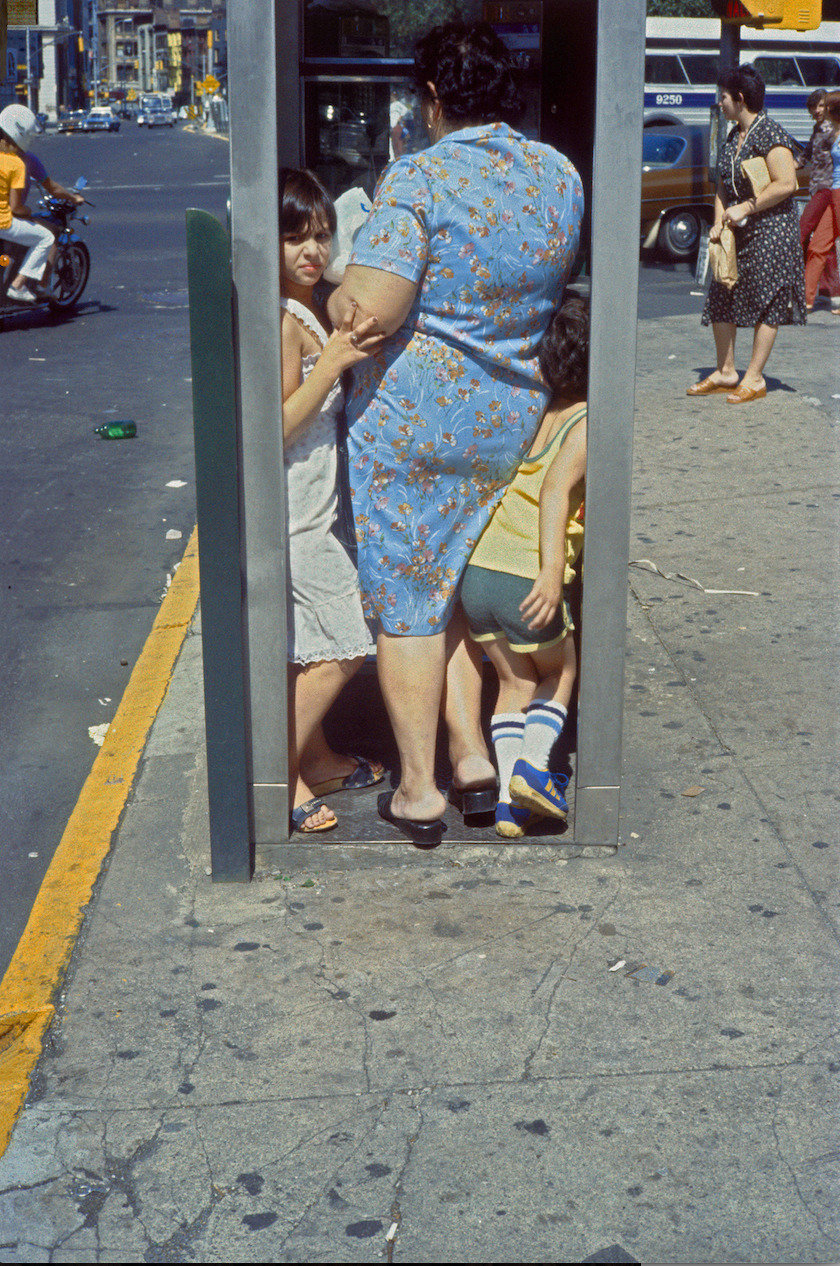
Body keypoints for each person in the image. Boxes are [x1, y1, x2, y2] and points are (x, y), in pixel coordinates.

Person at [328, 21, 584, 845]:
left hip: (414, 427)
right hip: (511, 419)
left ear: (432, 98)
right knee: (461, 595)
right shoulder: (557, 174)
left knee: (409, 606)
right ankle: (472, 756)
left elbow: (371, 311)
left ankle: (418, 790)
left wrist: (340, 280)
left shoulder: (420, 179)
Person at [278, 168, 386, 834]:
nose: (311, 252)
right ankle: (280, 769)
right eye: (295, 238)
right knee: (345, 644)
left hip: (312, 513)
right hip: (292, 519)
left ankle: (315, 760)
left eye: (320, 236)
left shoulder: (305, 309)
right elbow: (276, 425)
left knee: (321, 641)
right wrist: (330, 365)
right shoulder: (284, 321)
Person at [460, 293, 587, 839]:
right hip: (522, 575)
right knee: (561, 671)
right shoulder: (588, 422)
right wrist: (551, 574)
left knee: (513, 683)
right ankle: (536, 770)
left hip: (480, 574)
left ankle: (514, 807)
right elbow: (557, 490)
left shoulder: (538, 413)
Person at [688, 64, 805, 404]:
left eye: (722, 98)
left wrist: (749, 207)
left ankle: (754, 378)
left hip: (772, 231)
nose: (719, 104)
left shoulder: (771, 134)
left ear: (739, 99)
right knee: (722, 293)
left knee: (767, 300)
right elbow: (722, 188)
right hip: (738, 232)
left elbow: (787, 183)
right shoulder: (732, 137)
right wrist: (717, 221)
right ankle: (726, 370)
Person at [0, 104, 54, 303]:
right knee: (46, 238)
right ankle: (18, 284)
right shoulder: (17, 163)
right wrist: (28, 210)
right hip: (3, 223)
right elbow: (15, 207)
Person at [798, 89, 840, 313]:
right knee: (822, 246)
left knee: (803, 232)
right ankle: (818, 296)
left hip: (831, 191)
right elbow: (806, 154)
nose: (819, 111)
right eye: (815, 107)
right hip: (825, 190)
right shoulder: (824, 130)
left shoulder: (831, 130)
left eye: (824, 106)